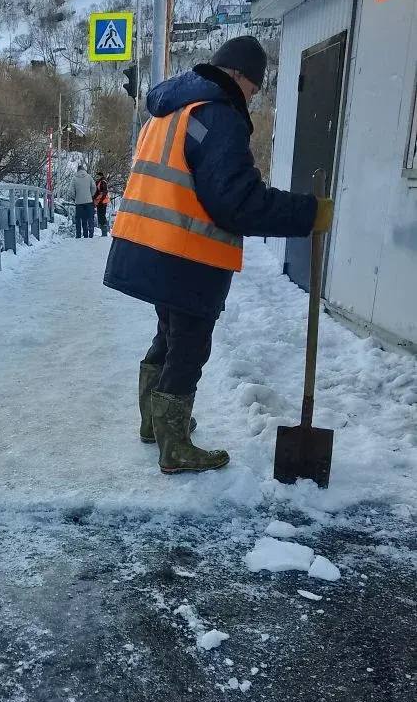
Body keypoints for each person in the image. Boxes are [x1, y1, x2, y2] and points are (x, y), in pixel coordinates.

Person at [104, 36, 334, 475]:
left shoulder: (174, 107)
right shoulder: (218, 114)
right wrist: (307, 213)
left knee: (169, 335)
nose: (252, 97)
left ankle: (155, 424)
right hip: (187, 254)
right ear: (238, 76)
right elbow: (238, 201)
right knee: (189, 346)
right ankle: (175, 447)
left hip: (153, 246)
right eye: (253, 88)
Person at [70, 165, 96, 238]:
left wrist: (75, 198)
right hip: (88, 201)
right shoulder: (89, 177)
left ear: (77, 170)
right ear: (84, 170)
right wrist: (91, 195)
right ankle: (90, 235)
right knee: (90, 217)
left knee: (79, 218)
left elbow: (71, 191)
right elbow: (94, 187)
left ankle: (78, 235)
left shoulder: (74, 178)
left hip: (79, 202)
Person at [93, 171, 110, 237]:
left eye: (98, 176)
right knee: (100, 216)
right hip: (100, 202)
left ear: (101, 176)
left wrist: (100, 200)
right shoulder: (100, 182)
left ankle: (104, 233)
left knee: (102, 216)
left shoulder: (103, 182)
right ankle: (104, 232)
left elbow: (104, 192)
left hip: (102, 202)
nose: (97, 177)